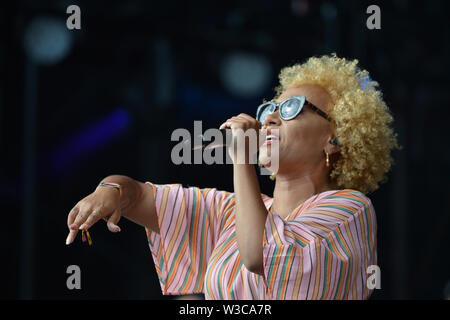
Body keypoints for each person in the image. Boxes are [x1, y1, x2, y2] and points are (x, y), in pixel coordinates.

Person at [65, 54, 398, 300]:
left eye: (291, 109)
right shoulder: (231, 213)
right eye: (269, 110)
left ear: (335, 140)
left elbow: (259, 255)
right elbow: (138, 195)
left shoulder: (349, 209)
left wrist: (241, 158)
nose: (270, 120)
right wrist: (110, 189)